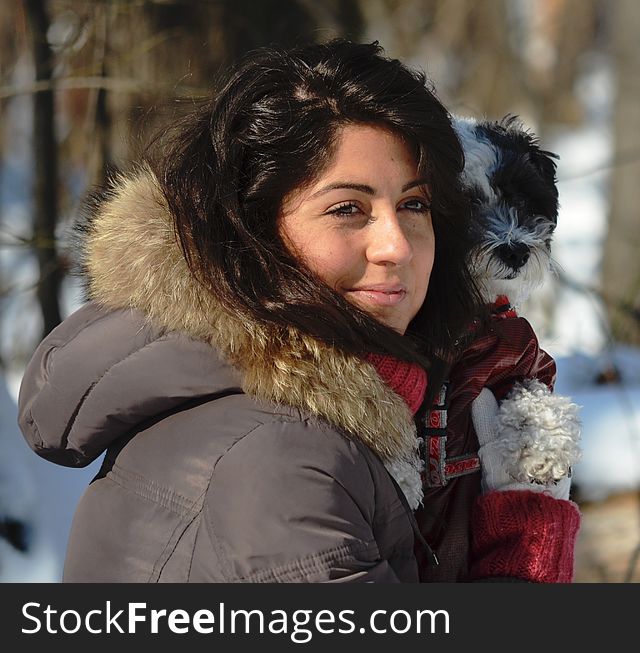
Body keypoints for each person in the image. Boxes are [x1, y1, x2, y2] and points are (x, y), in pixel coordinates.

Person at [18, 40, 579, 582]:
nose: (397, 246)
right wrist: (524, 555)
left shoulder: (261, 389)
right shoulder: (286, 460)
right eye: (346, 208)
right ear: (253, 227)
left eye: (415, 205)